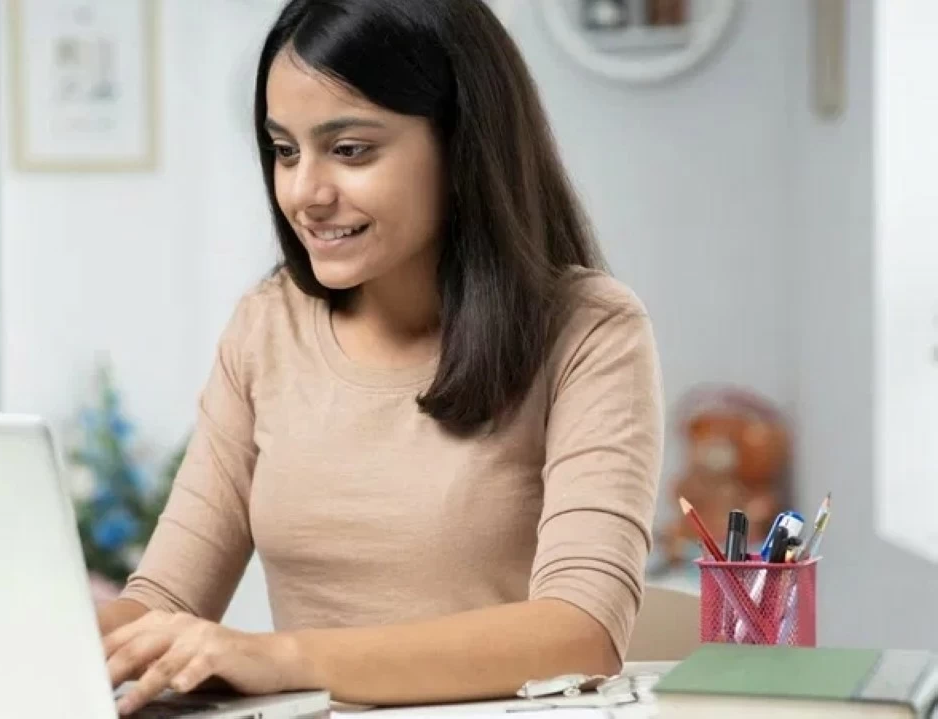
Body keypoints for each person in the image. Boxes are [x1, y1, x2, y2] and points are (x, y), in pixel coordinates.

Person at [98, 0, 663, 714]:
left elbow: (580, 632)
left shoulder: (589, 329)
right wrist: (61, 637)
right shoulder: (267, 326)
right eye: (285, 150)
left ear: (464, 145)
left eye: (351, 150)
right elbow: (165, 597)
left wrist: (281, 657)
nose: (306, 192)